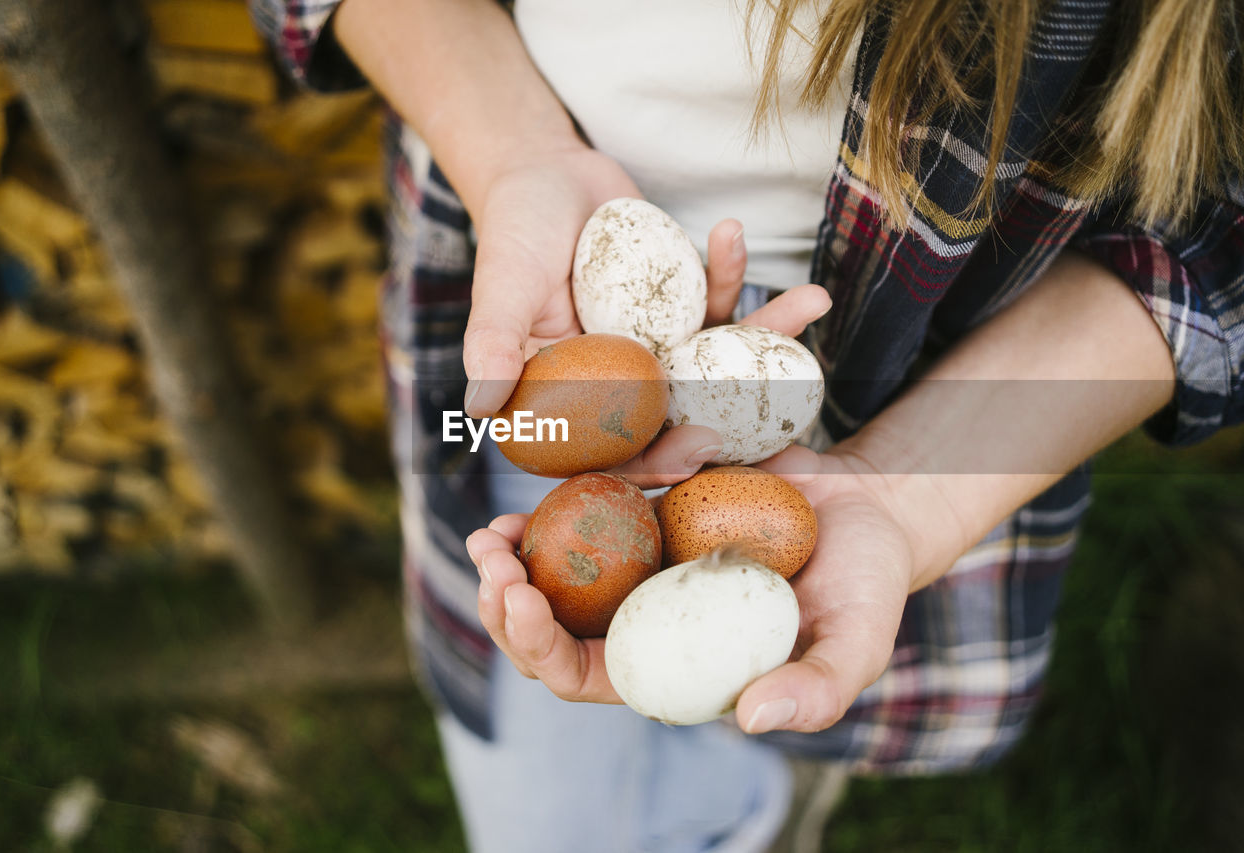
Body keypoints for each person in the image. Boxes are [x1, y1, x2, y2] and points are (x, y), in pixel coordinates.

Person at [249, 0, 1244, 850]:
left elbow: (1218, 248)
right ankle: (720, 796)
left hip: (935, 361)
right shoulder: (561, 359)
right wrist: (512, 154)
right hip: (534, 285)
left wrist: (906, 492)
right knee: (544, 793)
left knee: (771, 658)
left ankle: (741, 789)